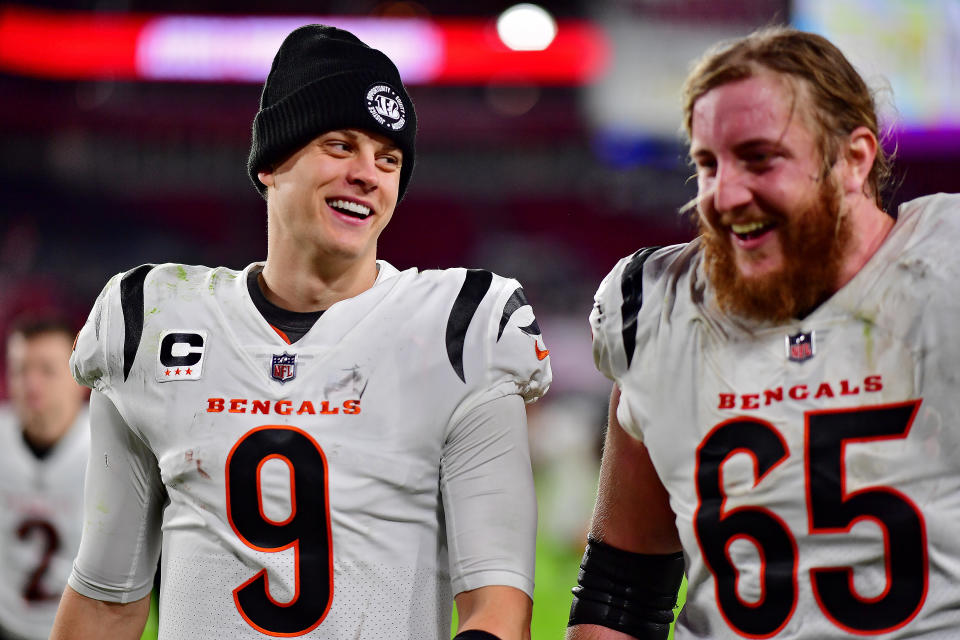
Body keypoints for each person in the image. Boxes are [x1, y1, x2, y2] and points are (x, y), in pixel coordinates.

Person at [50, 24, 551, 640]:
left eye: (389, 158)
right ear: (270, 163)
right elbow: (105, 599)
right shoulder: (149, 320)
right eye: (341, 145)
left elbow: (497, 609)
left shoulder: (462, 328)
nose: (369, 173)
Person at [567, 26, 960, 639]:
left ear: (853, 159)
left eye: (760, 159)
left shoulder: (945, 273)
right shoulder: (657, 307)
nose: (724, 194)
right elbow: (624, 585)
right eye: (707, 164)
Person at [0, 318, 88, 640]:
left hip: (83, 628)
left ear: (80, 377)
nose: (31, 384)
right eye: (21, 369)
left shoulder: (112, 448)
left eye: (47, 370)